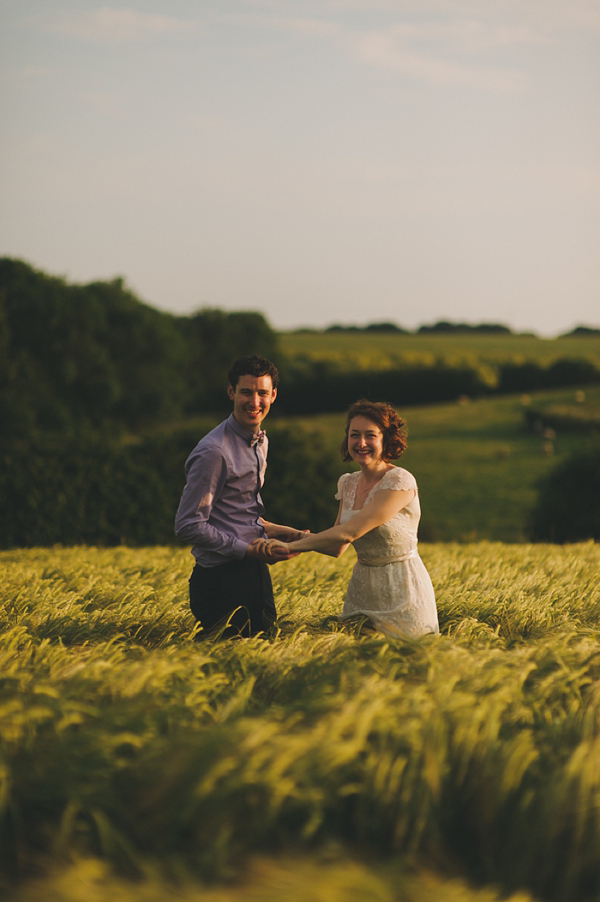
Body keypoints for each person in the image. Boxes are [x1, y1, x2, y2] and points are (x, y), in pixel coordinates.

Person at [263, 400, 439, 638]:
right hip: (362, 592)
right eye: (354, 435)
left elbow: (350, 532)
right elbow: (337, 546)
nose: (361, 443)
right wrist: (279, 530)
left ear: (385, 439)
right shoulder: (348, 483)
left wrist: (290, 546)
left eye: (370, 435)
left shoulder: (400, 482)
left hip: (403, 592)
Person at [175, 355, 306, 639]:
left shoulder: (261, 442)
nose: (254, 401)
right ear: (231, 392)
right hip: (221, 580)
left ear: (274, 395)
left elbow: (238, 515)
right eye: (246, 391)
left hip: (252, 571)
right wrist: (247, 550)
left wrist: (287, 533)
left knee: (262, 654)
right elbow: (188, 524)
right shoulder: (214, 451)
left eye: (262, 393)